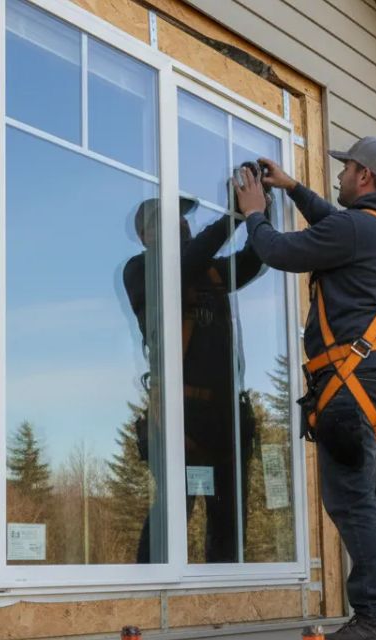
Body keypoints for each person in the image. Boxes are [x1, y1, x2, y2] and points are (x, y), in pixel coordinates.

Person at [232, 137, 376, 640]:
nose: (337, 177)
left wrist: (255, 213)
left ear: (363, 175)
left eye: (344, 170)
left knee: (352, 502)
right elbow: (332, 223)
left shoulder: (356, 226)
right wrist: (293, 188)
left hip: (348, 386)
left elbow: (277, 250)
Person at [123, 195, 262, 563]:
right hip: (180, 415)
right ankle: (148, 588)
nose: (181, 224)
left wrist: (260, 210)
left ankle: (224, 596)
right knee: (171, 516)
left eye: (182, 218)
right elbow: (184, 264)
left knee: (229, 523)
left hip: (227, 418)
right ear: (145, 235)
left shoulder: (210, 272)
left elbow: (255, 258)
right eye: (168, 220)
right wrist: (234, 214)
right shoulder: (141, 270)